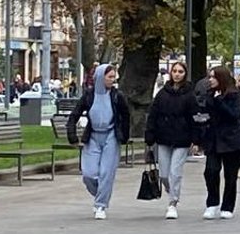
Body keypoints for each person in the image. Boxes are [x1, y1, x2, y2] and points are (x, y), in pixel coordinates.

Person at [65, 64, 131, 220]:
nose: (112, 80)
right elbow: (74, 116)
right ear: (101, 77)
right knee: (89, 174)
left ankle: (100, 205)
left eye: (114, 77)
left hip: (111, 137)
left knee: (106, 173)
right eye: (110, 77)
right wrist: (72, 136)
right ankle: (101, 192)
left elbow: (126, 115)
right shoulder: (89, 95)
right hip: (93, 137)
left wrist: (124, 136)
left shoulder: (117, 96)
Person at [145, 61, 195, 219]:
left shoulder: (189, 94)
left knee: (175, 172)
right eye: (175, 71)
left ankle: (172, 203)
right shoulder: (162, 93)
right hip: (164, 137)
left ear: (185, 74)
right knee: (164, 174)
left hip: (182, 138)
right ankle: (171, 191)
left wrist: (196, 139)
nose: (177, 74)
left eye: (181, 71)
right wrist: (150, 134)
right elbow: (153, 115)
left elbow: (194, 118)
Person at [201, 66, 240, 220]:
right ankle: (212, 203)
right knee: (211, 171)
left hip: (231, 139)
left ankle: (227, 206)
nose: (210, 80)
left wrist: (219, 101)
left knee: (230, 174)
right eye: (210, 77)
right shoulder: (209, 94)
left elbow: (233, 115)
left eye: (213, 77)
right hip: (213, 138)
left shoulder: (233, 94)